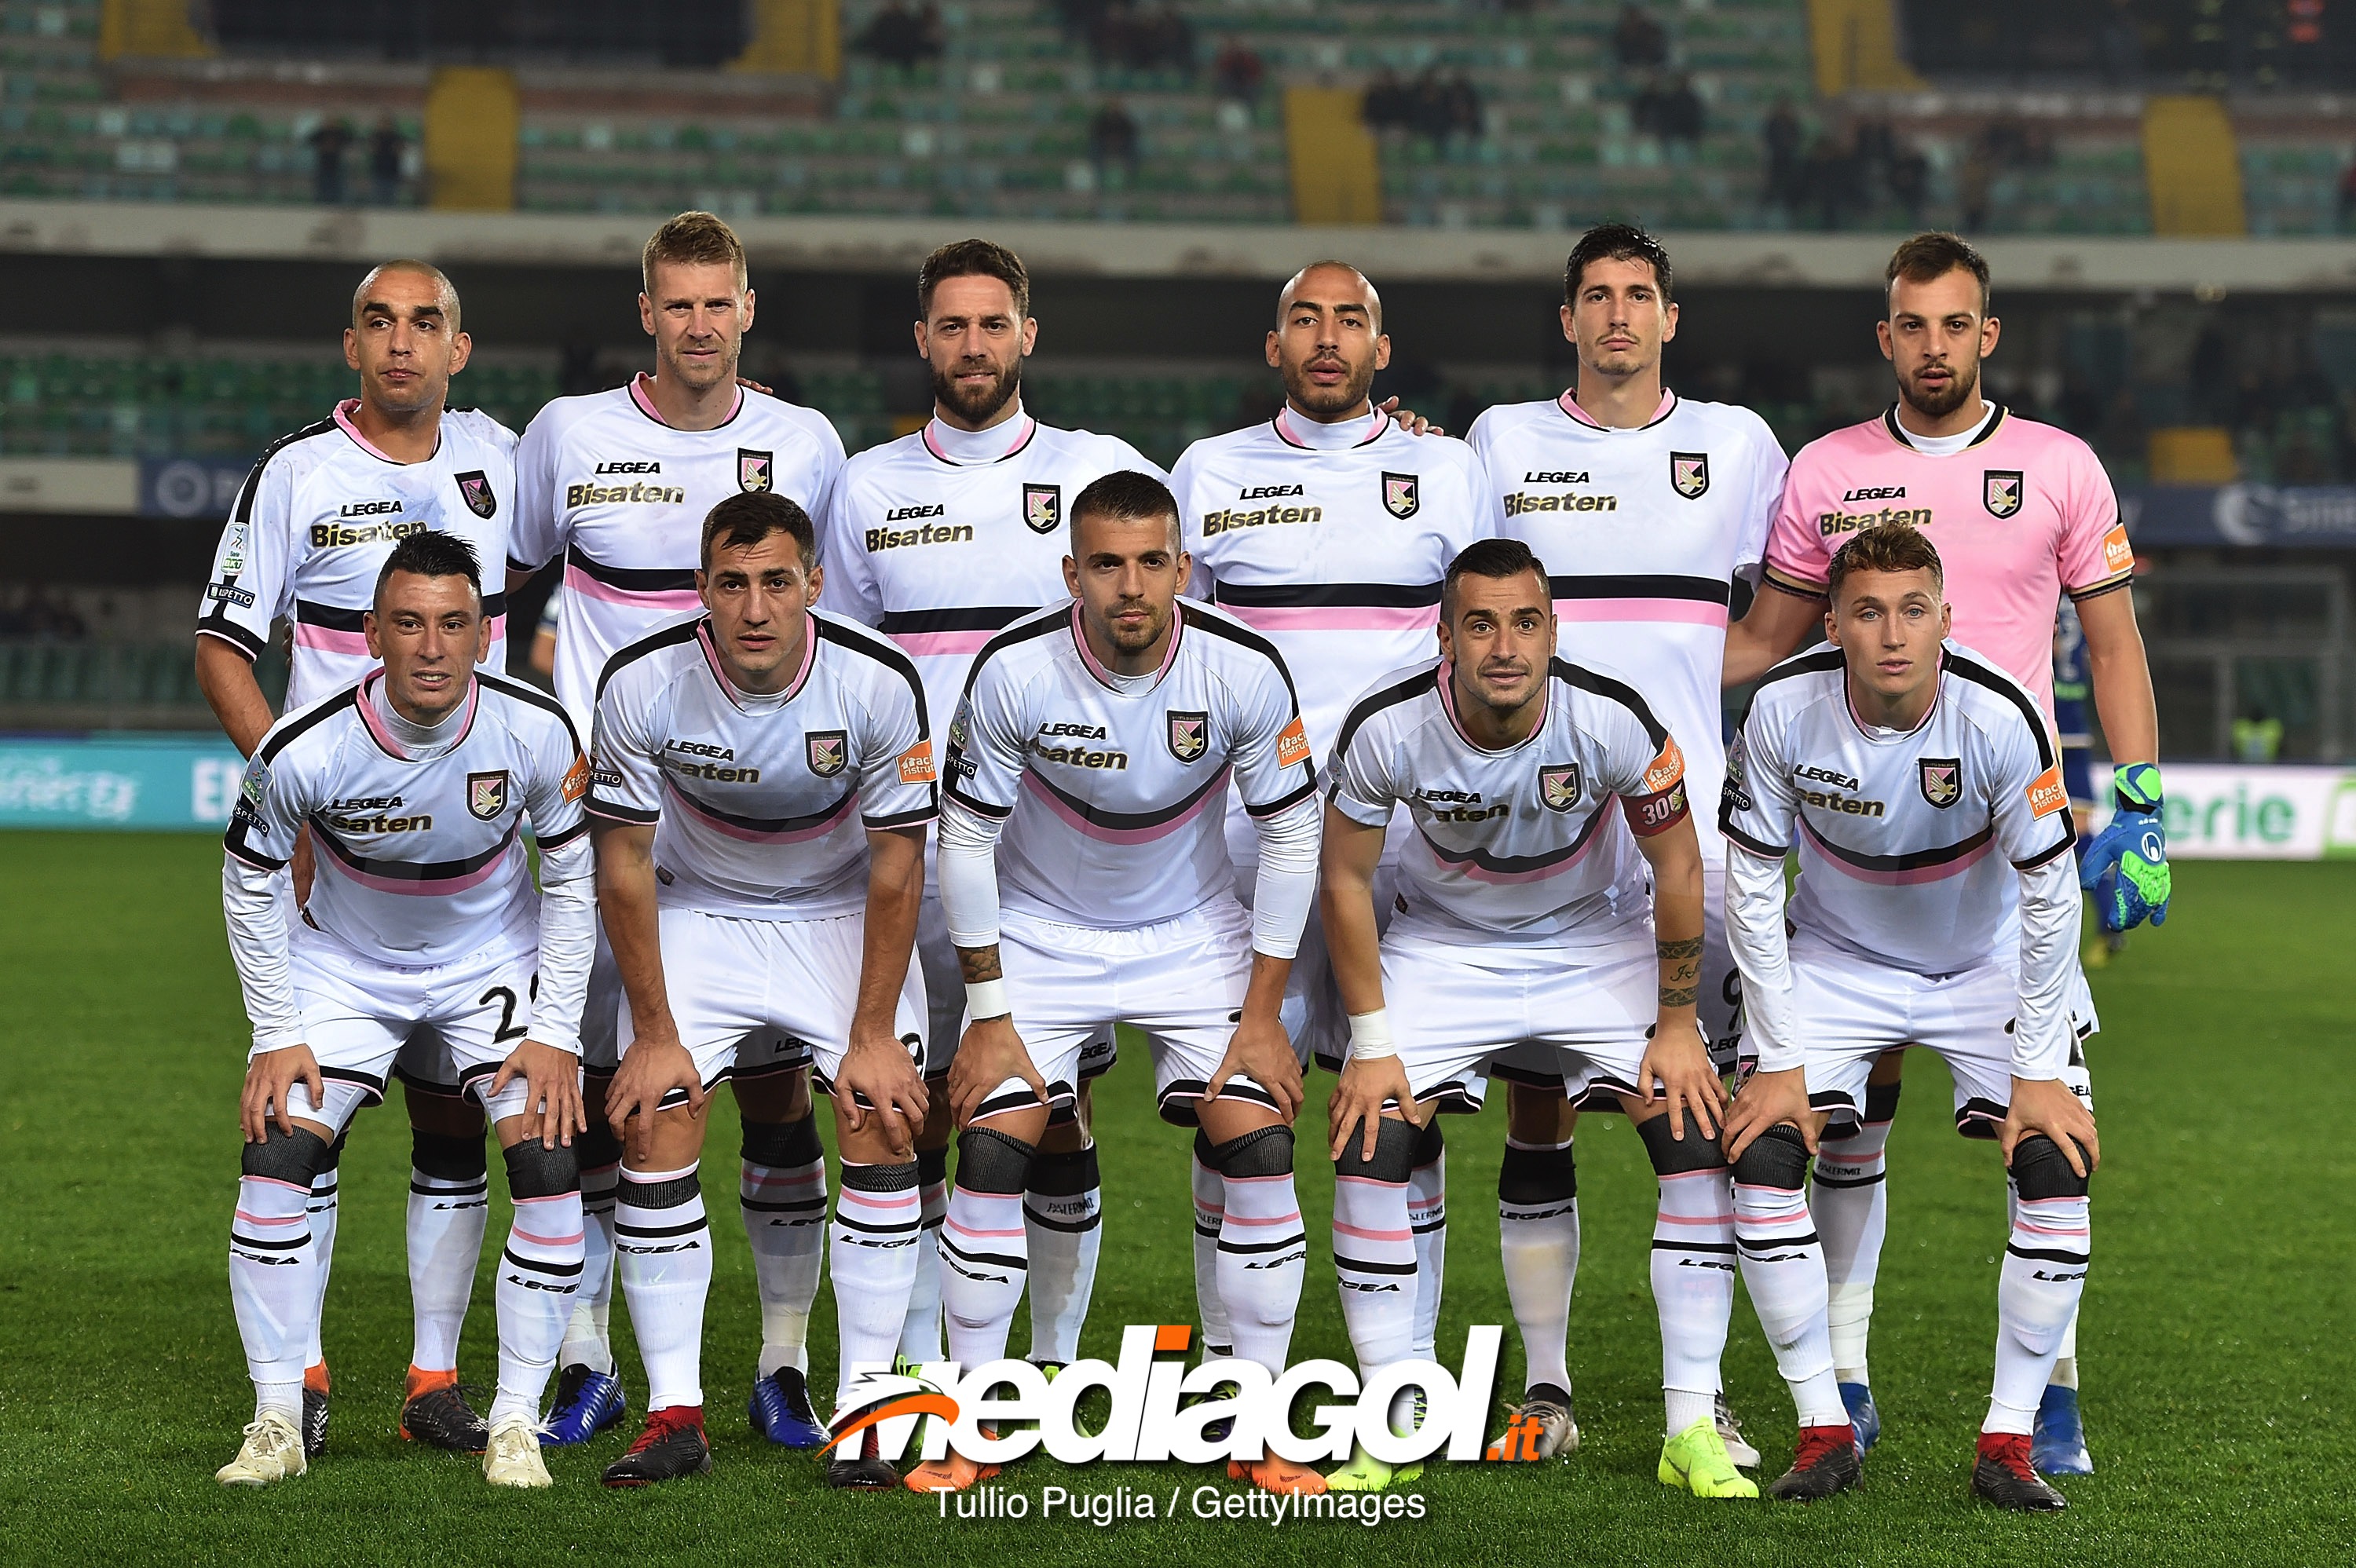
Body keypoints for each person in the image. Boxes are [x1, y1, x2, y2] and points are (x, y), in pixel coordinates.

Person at [1725, 232, 2165, 1475]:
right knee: (1843, 1130)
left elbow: (2114, 646)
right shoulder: (1825, 471)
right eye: (1912, 324)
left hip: (2002, 834)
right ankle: (1843, 1379)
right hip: (1861, 845)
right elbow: (1768, 642)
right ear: (1887, 338)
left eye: (1955, 323)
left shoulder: (2061, 468)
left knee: (2054, 1130)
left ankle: (2051, 1397)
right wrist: (1614, 668)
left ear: (1988, 335)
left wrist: (2136, 802)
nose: (1934, 345)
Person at [1321, 539, 1787, 1499]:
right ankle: (1391, 1411)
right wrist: (1371, 1047)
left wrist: (1675, 1021)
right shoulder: (1386, 726)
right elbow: (1345, 877)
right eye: (1481, 623)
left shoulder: (1612, 716)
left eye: (1524, 621)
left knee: (1693, 1129)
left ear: (1552, 630)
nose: (1505, 645)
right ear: (1445, 635)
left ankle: (1690, 1421)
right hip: (1445, 945)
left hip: (1591, 939)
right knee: (1368, 1136)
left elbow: (1679, 865)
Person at [507, 210, 849, 1449]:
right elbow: (498, 584)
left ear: (747, 311)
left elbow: (841, 623)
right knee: (607, 1098)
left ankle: (783, 1361)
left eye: (720, 303)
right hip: (619, 837)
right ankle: (592, 1360)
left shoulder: (805, 444)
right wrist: (533, 742)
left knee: (776, 1099)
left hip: (773, 842)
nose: (699, 324)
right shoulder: (570, 435)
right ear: (645, 313)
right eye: (677, 303)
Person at [1463, 223, 1788, 1465]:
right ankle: (1544, 1383)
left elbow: (1788, 610)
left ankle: (1695, 1401)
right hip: (1539, 827)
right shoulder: (1501, 441)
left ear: (1669, 317)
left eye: (1638, 295)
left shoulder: (1739, 445)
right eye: (1595, 295)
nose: (1617, 315)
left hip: (1683, 830)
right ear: (1566, 319)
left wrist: (1691, 687)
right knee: (1539, 1107)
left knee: (1689, 1109)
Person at [931, 470, 1323, 1496]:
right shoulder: (1015, 669)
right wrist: (987, 1013)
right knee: (993, 1137)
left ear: (1184, 567)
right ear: (1072, 572)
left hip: (1194, 933)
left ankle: (1256, 1424)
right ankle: (977, 1419)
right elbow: (964, 840)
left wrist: (1266, 1013)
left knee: (1260, 1134)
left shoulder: (1242, 668)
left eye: (1152, 561)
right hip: (1043, 934)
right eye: (1107, 562)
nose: (1131, 585)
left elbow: (1290, 835)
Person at [820, 239, 1162, 1384]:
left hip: (1057, 851)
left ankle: (1055, 1368)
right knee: (914, 1107)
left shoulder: (1098, 467)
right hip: (913, 842)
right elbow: (847, 666)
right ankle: (925, 1371)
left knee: (1053, 1108)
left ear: (1029, 334)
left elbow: (1157, 628)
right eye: (951, 326)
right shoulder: (865, 485)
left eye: (993, 323)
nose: (973, 345)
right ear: (922, 340)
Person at [195, 259, 518, 1462]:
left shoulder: (504, 462)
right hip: (337, 872)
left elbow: (562, 606)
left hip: (477, 874)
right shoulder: (295, 472)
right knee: (301, 1121)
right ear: (351, 347)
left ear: (458, 348)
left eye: (424, 324)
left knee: (453, 1124)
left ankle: (434, 1381)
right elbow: (225, 650)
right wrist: (300, 799)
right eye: (380, 323)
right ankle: (303, 1377)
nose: (402, 344)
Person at [1720, 522, 2098, 1511]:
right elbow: (1753, 884)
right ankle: (1823, 1425)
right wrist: (1777, 1053)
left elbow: (2053, 897)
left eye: (1914, 608)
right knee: (1762, 1149)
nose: (1893, 633)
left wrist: (2041, 1065)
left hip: (1988, 959)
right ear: (1835, 622)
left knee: (2053, 1158)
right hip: (1839, 957)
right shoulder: (1780, 710)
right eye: (1869, 611)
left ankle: (2011, 1440)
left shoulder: (1999, 713)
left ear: (1945, 615)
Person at [214, 533, 594, 1490]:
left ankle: (514, 1418)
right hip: (345, 963)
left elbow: (579, 877)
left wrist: (555, 1031)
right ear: (372, 633)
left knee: (548, 1162)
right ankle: (276, 1416)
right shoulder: (305, 743)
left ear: (484, 632)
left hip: (489, 958)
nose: (432, 646)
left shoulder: (537, 729)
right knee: (276, 1154)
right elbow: (249, 874)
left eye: (454, 623)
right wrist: (276, 1028)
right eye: (411, 623)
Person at [1172, 261, 1488, 1394]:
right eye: (1305, 317)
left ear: (1381, 349)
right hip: (1248, 838)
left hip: (1398, 844)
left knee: (1397, 1098)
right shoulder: (1208, 470)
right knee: (1235, 1098)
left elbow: (1489, 636)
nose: (1327, 337)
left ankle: (1408, 1368)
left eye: (1350, 319)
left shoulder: (1447, 469)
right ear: (1274, 345)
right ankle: (1226, 1369)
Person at [587, 492, 935, 1488]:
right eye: (732, 583)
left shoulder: (877, 682)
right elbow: (623, 866)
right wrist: (653, 1033)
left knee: (881, 1109)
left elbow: (898, 868)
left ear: (814, 586)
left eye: (776, 581)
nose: (754, 607)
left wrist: (872, 1032)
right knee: (653, 1115)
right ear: (702, 588)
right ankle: (672, 1413)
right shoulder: (641, 679)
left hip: (836, 915)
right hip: (700, 912)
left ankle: (869, 1404)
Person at [308, 117, 353, 206]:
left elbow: (350, 140)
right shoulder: (321, 133)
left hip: (337, 164)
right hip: (323, 164)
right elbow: (310, 139)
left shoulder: (339, 133)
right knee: (322, 185)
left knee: (337, 185)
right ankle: (320, 203)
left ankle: (337, 203)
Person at [368, 115, 405, 207]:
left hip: (392, 171)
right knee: (377, 198)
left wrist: (397, 149)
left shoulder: (396, 137)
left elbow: (401, 150)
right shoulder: (376, 136)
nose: (385, 126)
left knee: (391, 199)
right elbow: (371, 150)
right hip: (378, 170)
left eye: (387, 124)